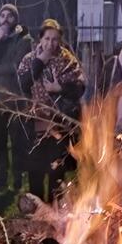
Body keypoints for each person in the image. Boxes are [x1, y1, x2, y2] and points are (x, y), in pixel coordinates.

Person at [17, 19, 86, 203]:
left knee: (57, 171)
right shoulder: (30, 59)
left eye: (55, 39)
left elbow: (79, 87)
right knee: (36, 171)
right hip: (36, 124)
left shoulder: (67, 60)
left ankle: (56, 213)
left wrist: (59, 88)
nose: (50, 43)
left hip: (59, 125)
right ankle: (38, 212)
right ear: (40, 39)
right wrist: (41, 61)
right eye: (47, 38)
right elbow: (23, 83)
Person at [0, 3, 32, 190]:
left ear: (16, 18)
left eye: (9, 15)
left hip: (14, 99)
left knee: (17, 143)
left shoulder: (23, 40)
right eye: (2, 15)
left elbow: (17, 66)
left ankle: (17, 180)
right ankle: (1, 179)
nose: (5, 19)